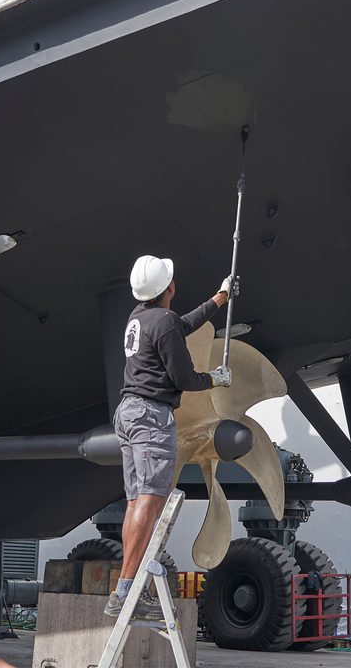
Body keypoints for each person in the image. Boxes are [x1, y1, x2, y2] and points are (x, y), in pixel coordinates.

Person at [103, 255, 232, 621]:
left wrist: (219, 298)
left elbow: (181, 324)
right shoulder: (164, 321)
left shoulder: (139, 318)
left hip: (128, 413)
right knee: (150, 501)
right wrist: (214, 379)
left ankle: (125, 587)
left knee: (135, 502)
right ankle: (125, 592)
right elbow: (184, 378)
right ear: (169, 287)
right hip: (151, 417)